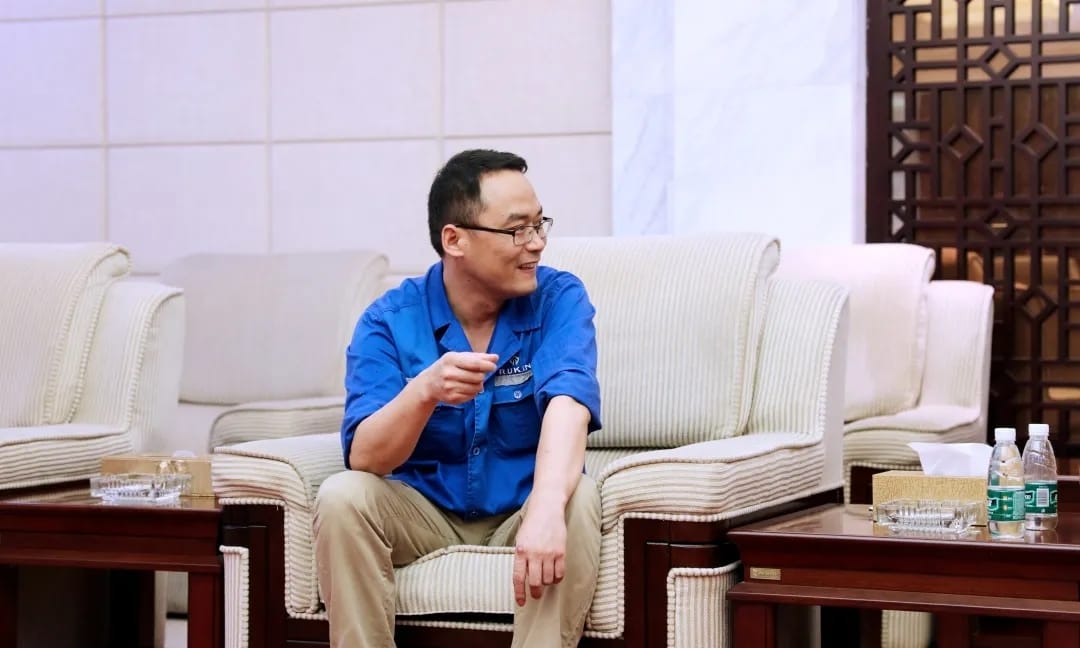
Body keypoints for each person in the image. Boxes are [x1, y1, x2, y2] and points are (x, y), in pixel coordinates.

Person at [313, 149, 603, 648]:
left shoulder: (559, 298)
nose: (536, 243)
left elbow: (568, 403)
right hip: (423, 512)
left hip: (519, 508)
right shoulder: (388, 321)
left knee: (578, 495)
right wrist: (424, 392)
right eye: (517, 230)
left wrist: (546, 505)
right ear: (455, 240)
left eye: (539, 225)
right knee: (342, 497)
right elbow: (366, 458)